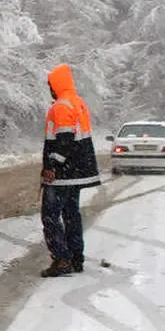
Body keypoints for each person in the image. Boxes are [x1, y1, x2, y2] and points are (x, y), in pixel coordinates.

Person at [40, 64, 101, 277]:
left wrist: (53, 165)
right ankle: (76, 257)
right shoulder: (78, 103)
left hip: (62, 175)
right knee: (71, 214)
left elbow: (65, 142)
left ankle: (62, 259)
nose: (49, 89)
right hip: (75, 172)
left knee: (50, 215)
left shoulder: (61, 106)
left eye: (50, 85)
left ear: (57, 84)